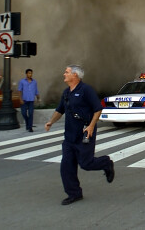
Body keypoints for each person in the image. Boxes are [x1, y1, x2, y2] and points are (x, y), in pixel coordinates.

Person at [45, 65, 115, 205]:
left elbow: (97, 109)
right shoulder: (66, 92)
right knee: (66, 167)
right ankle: (74, 193)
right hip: (69, 137)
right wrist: (51, 122)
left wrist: (91, 126)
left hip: (84, 133)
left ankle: (106, 163)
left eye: (67, 72)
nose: (64, 74)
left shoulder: (86, 90)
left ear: (75, 75)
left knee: (86, 163)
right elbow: (60, 110)